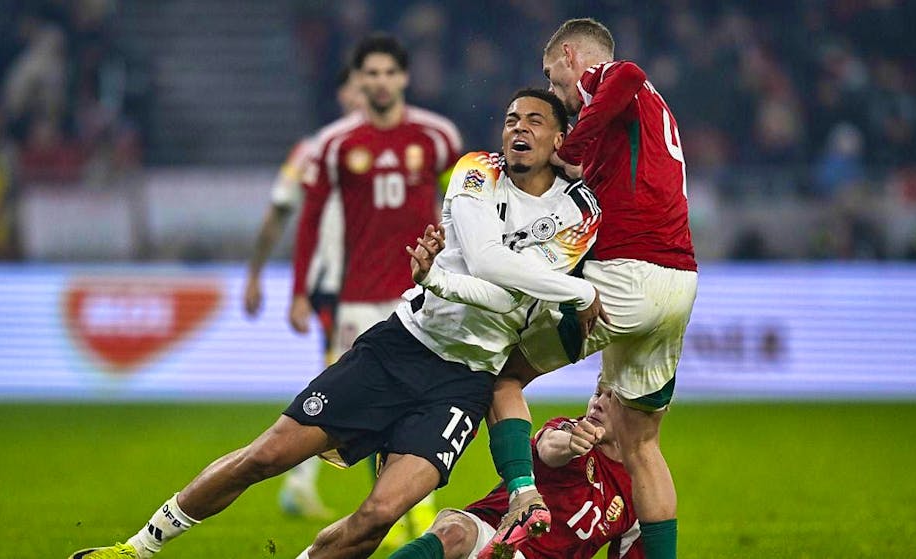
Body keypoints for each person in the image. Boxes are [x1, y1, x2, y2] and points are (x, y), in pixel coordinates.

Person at [67, 87, 605, 559]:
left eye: (535, 121)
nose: (519, 128)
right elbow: (494, 268)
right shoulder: (475, 171)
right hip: (401, 347)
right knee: (266, 455)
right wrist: (565, 290)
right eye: (512, 119)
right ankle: (136, 548)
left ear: (560, 139)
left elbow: (514, 292)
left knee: (379, 516)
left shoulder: (580, 211)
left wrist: (444, 280)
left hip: (464, 383)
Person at [482, 18, 699, 559]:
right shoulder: (640, 121)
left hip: (628, 274)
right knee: (640, 442)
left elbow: (627, 74)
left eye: (555, 81)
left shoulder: (616, 79)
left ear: (572, 57)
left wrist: (567, 145)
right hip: (678, 281)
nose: (558, 95)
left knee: (504, 378)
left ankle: (522, 497)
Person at [292, 33, 463, 543]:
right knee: (368, 411)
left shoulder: (437, 138)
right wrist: (300, 290)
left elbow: (461, 210)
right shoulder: (337, 144)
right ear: (360, 80)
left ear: (403, 78)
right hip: (358, 300)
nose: (381, 81)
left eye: (390, 72)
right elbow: (310, 218)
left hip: (422, 295)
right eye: (372, 73)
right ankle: (386, 516)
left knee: (419, 406)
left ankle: (418, 515)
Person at [242, 66, 364, 520]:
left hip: (378, 280)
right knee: (344, 376)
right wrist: (256, 275)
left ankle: (303, 478)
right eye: (355, 85)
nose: (362, 95)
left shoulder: (390, 147)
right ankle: (299, 477)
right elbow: (280, 212)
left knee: (345, 375)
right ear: (341, 94)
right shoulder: (313, 150)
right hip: (334, 281)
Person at [390, 384, 643, 559]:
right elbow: (548, 445)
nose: (598, 404)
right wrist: (571, 443)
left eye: (612, 399)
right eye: (597, 393)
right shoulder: (571, 430)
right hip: (492, 533)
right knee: (455, 531)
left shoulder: (643, 490)